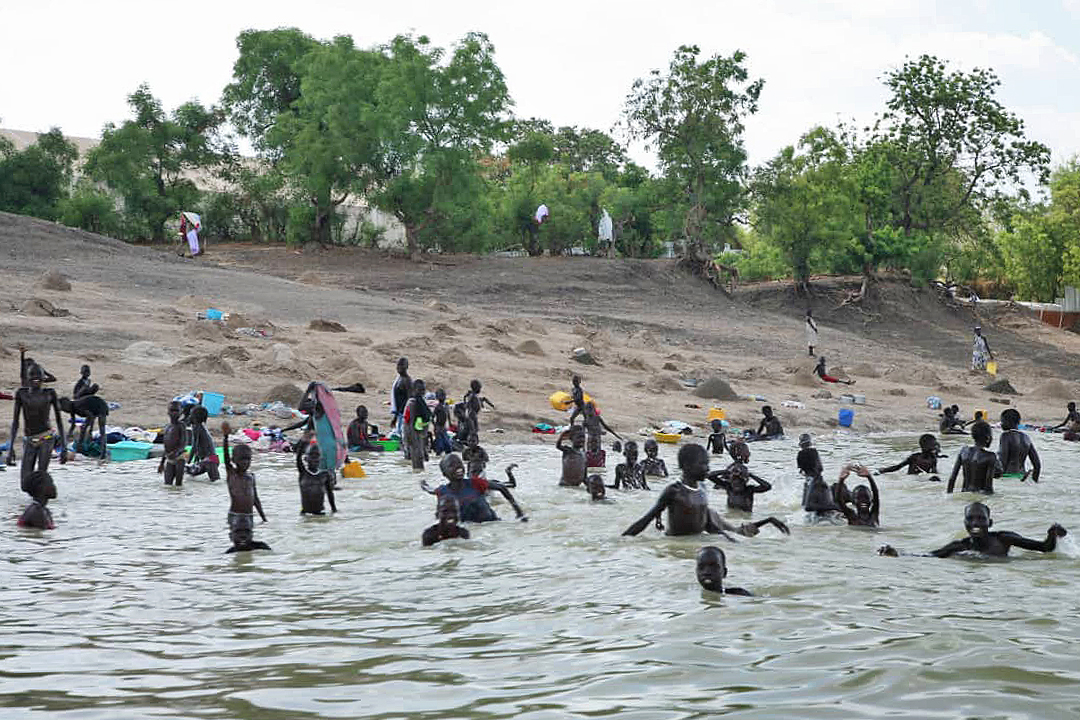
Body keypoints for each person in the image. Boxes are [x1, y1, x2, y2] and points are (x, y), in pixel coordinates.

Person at [623, 443, 789, 538]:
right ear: (687, 466)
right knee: (736, 531)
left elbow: (709, 525)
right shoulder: (674, 491)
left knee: (738, 532)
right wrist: (623, 540)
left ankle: (767, 521)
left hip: (698, 542)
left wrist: (731, 542)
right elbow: (647, 518)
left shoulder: (702, 489)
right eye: (703, 464)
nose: (707, 468)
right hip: (677, 549)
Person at [879, 502, 1066, 558]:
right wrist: (896, 553)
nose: (975, 523)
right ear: (964, 523)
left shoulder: (1004, 539)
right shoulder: (959, 546)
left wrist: (1053, 534)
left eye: (981, 519)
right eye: (970, 518)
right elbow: (928, 556)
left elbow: (1043, 548)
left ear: (990, 522)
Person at [7, 363, 67, 494]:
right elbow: (15, 422)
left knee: (40, 479)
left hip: (46, 438)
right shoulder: (21, 394)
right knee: (25, 484)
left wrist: (64, 447)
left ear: (43, 378)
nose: (36, 378)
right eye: (32, 375)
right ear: (27, 378)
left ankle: (40, 505)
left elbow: (59, 421)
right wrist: (10, 447)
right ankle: (47, 490)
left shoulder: (50, 393)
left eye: (39, 375)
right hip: (29, 440)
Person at [422, 454, 526, 522]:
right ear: (444, 474)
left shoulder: (475, 483)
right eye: (451, 465)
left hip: (492, 526)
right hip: (471, 531)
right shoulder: (443, 492)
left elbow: (502, 487)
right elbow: (439, 515)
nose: (458, 467)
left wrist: (519, 512)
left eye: (459, 464)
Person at [221, 422, 268, 553]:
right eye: (242, 459)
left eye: (248, 459)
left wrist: (263, 517)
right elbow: (225, 457)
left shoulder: (251, 477)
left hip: (248, 516)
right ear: (234, 460)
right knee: (237, 541)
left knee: (247, 541)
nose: (245, 462)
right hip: (235, 515)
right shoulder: (232, 474)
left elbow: (255, 499)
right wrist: (225, 438)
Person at [946, 421, 1002, 495]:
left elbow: (952, 479)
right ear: (988, 437)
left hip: (964, 493)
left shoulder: (963, 451)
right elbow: (988, 487)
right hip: (980, 496)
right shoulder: (990, 457)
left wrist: (949, 495)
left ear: (973, 436)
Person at [296, 433, 337, 515]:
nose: (314, 458)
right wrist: (304, 441)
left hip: (320, 513)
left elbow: (330, 494)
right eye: (312, 455)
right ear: (306, 458)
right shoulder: (303, 473)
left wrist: (334, 510)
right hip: (305, 514)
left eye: (317, 455)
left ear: (320, 459)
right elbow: (298, 457)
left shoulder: (325, 475)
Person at [59, 394, 108, 460]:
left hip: (101, 406)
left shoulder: (77, 406)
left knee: (102, 431)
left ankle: (103, 454)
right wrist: (68, 435)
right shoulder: (72, 408)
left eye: (63, 409)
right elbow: (73, 424)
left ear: (66, 405)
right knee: (83, 429)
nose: (65, 411)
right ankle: (80, 450)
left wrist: (88, 428)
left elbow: (91, 416)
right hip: (91, 410)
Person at [998, 409, 1040, 482]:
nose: (1001, 424)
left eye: (1002, 421)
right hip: (1022, 476)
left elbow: (1002, 460)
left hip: (1008, 477)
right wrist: (1034, 480)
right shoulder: (1026, 438)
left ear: (1007, 422)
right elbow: (1037, 465)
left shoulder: (1005, 435)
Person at [878, 434, 943, 480]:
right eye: (934, 445)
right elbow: (898, 467)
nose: (935, 447)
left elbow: (934, 473)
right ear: (926, 446)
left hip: (923, 480)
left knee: (935, 479)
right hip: (911, 480)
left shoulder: (933, 458)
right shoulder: (914, 457)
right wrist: (883, 470)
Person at [401, 379, 432, 470]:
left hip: (419, 436)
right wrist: (410, 439)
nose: (422, 392)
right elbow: (409, 422)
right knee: (416, 460)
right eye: (419, 390)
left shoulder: (420, 403)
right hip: (412, 436)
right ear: (413, 390)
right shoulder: (413, 403)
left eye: (423, 390)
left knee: (419, 460)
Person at [185, 406, 220, 481]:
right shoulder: (201, 427)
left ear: (195, 418)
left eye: (191, 415)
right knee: (215, 481)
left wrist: (188, 461)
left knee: (186, 470)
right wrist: (196, 459)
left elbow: (194, 446)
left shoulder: (196, 427)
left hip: (209, 460)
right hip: (213, 459)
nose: (189, 416)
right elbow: (201, 446)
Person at [582, 401, 620, 467]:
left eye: (590, 409)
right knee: (593, 453)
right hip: (593, 438)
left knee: (594, 453)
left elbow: (606, 427)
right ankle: (595, 465)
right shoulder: (588, 420)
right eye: (588, 409)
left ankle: (596, 466)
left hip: (594, 438)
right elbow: (582, 434)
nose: (589, 411)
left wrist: (615, 434)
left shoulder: (596, 418)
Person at [157, 400, 186, 486]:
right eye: (172, 410)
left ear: (181, 412)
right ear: (168, 412)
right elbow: (165, 446)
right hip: (169, 458)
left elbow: (184, 443)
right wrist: (162, 463)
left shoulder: (181, 425)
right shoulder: (167, 427)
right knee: (167, 484)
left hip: (179, 458)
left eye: (176, 411)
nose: (174, 413)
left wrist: (175, 452)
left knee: (178, 485)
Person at [390, 357, 412, 439]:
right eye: (398, 365)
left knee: (403, 436)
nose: (399, 367)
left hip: (404, 413)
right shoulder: (399, 379)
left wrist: (406, 415)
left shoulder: (407, 381)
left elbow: (409, 399)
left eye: (402, 365)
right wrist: (395, 417)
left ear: (406, 367)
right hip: (400, 413)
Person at [430, 389, 453, 455]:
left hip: (443, 427)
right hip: (438, 428)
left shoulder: (446, 406)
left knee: (448, 446)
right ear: (437, 397)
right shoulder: (438, 407)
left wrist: (450, 423)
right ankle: (438, 453)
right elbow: (432, 417)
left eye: (443, 395)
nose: (442, 397)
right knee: (440, 446)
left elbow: (448, 414)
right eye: (440, 396)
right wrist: (435, 426)